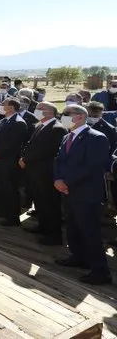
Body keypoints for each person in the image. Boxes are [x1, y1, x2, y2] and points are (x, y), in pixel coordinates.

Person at [53, 104, 112, 285]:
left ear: (79, 117)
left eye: (66, 114)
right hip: (67, 191)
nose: (62, 117)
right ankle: (78, 256)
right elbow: (58, 160)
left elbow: (92, 167)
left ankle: (100, 271)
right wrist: (58, 179)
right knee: (73, 227)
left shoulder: (96, 138)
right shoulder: (66, 137)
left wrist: (66, 182)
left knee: (90, 232)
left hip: (85, 193)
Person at [19, 102, 68, 245]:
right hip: (34, 171)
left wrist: (26, 159)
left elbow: (48, 150)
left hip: (46, 172)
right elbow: (31, 145)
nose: (37, 111)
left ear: (51, 112)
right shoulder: (39, 125)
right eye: (37, 108)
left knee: (49, 203)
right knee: (39, 201)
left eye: (41, 109)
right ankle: (42, 226)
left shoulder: (57, 128)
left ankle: (53, 235)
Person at [0, 98, 29, 226]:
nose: (1, 106)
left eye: (3, 104)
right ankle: (2, 210)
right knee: (1, 187)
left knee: (10, 189)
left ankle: (12, 217)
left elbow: (13, 144)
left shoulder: (18, 123)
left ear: (11, 107)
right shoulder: (3, 120)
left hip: (9, 161)